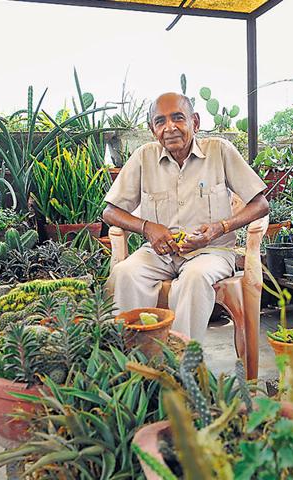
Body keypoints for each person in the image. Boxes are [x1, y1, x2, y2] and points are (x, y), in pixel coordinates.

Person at [103, 92, 269, 341]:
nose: (169, 127)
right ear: (152, 129)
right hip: (158, 254)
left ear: (195, 122)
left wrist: (220, 228)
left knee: (194, 278)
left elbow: (260, 204)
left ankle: (181, 363)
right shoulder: (143, 157)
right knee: (124, 273)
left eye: (178, 118)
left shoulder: (219, 151)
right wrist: (148, 228)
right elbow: (110, 212)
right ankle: (134, 358)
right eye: (160, 121)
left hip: (211, 253)